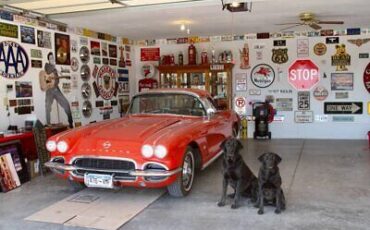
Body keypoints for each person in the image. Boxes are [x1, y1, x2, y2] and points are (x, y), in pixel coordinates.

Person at [44, 52, 73, 128]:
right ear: (48, 60)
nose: (52, 59)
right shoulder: (47, 66)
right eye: (50, 58)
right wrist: (54, 67)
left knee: (66, 104)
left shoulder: (54, 69)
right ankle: (48, 124)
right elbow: (48, 70)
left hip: (56, 89)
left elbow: (56, 79)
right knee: (48, 106)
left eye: (53, 58)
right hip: (49, 90)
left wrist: (61, 75)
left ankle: (71, 123)